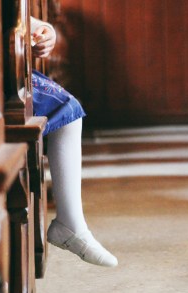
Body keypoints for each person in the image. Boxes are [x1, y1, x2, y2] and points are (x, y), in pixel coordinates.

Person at [29, 17, 118, 267]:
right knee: (67, 109)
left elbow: (16, 12)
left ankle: (71, 223)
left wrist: (43, 31)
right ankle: (70, 223)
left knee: (68, 109)